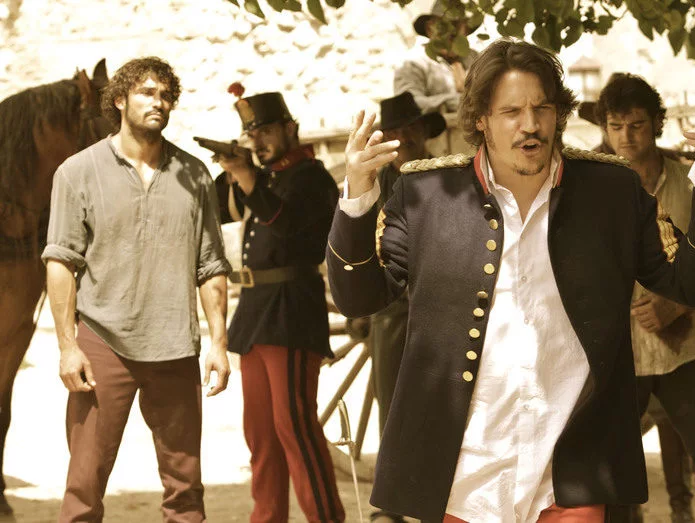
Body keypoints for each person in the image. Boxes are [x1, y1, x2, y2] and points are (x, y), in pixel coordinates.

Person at [328, 38, 695, 522]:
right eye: (511, 111)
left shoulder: (612, 191)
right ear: (481, 119)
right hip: (464, 473)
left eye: (542, 108)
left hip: (573, 472)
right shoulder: (426, 196)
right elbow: (358, 296)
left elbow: (690, 284)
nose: (530, 124)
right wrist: (357, 201)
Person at [43, 57, 231, 522]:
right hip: (102, 343)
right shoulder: (77, 172)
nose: (158, 102)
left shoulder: (194, 175)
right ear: (120, 100)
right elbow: (61, 261)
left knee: (186, 491)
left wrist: (218, 344)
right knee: (84, 486)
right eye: (147, 92)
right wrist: (68, 347)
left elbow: (210, 266)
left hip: (175, 346)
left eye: (166, 95)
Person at [596, 72, 695, 523]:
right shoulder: (589, 188)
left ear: (657, 124)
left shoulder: (694, 181)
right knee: (611, 483)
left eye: (636, 125)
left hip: (682, 352)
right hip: (615, 358)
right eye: (615, 126)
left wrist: (678, 303)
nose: (626, 136)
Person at [214, 90, 344, 523]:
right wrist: (235, 171)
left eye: (267, 130)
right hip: (256, 313)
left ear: (291, 128)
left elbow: (287, 224)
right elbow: (217, 208)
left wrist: (248, 177)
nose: (259, 140)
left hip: (291, 312)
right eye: (252, 134)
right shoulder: (264, 178)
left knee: (296, 429)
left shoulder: (311, 177)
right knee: (262, 435)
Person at [366, 91, 445, 523]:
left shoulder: (448, 176)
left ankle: (444, 500)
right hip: (391, 309)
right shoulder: (373, 184)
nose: (404, 138)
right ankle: (391, 504)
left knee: (445, 403)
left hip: (443, 310)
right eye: (394, 132)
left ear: (421, 132)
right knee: (392, 405)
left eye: (410, 129)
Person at [394, 0, 477, 114]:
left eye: (455, 25)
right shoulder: (413, 63)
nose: (450, 32)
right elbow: (407, 104)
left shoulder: (477, 59)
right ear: (429, 29)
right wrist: (457, 101)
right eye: (443, 27)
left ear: (466, 29)